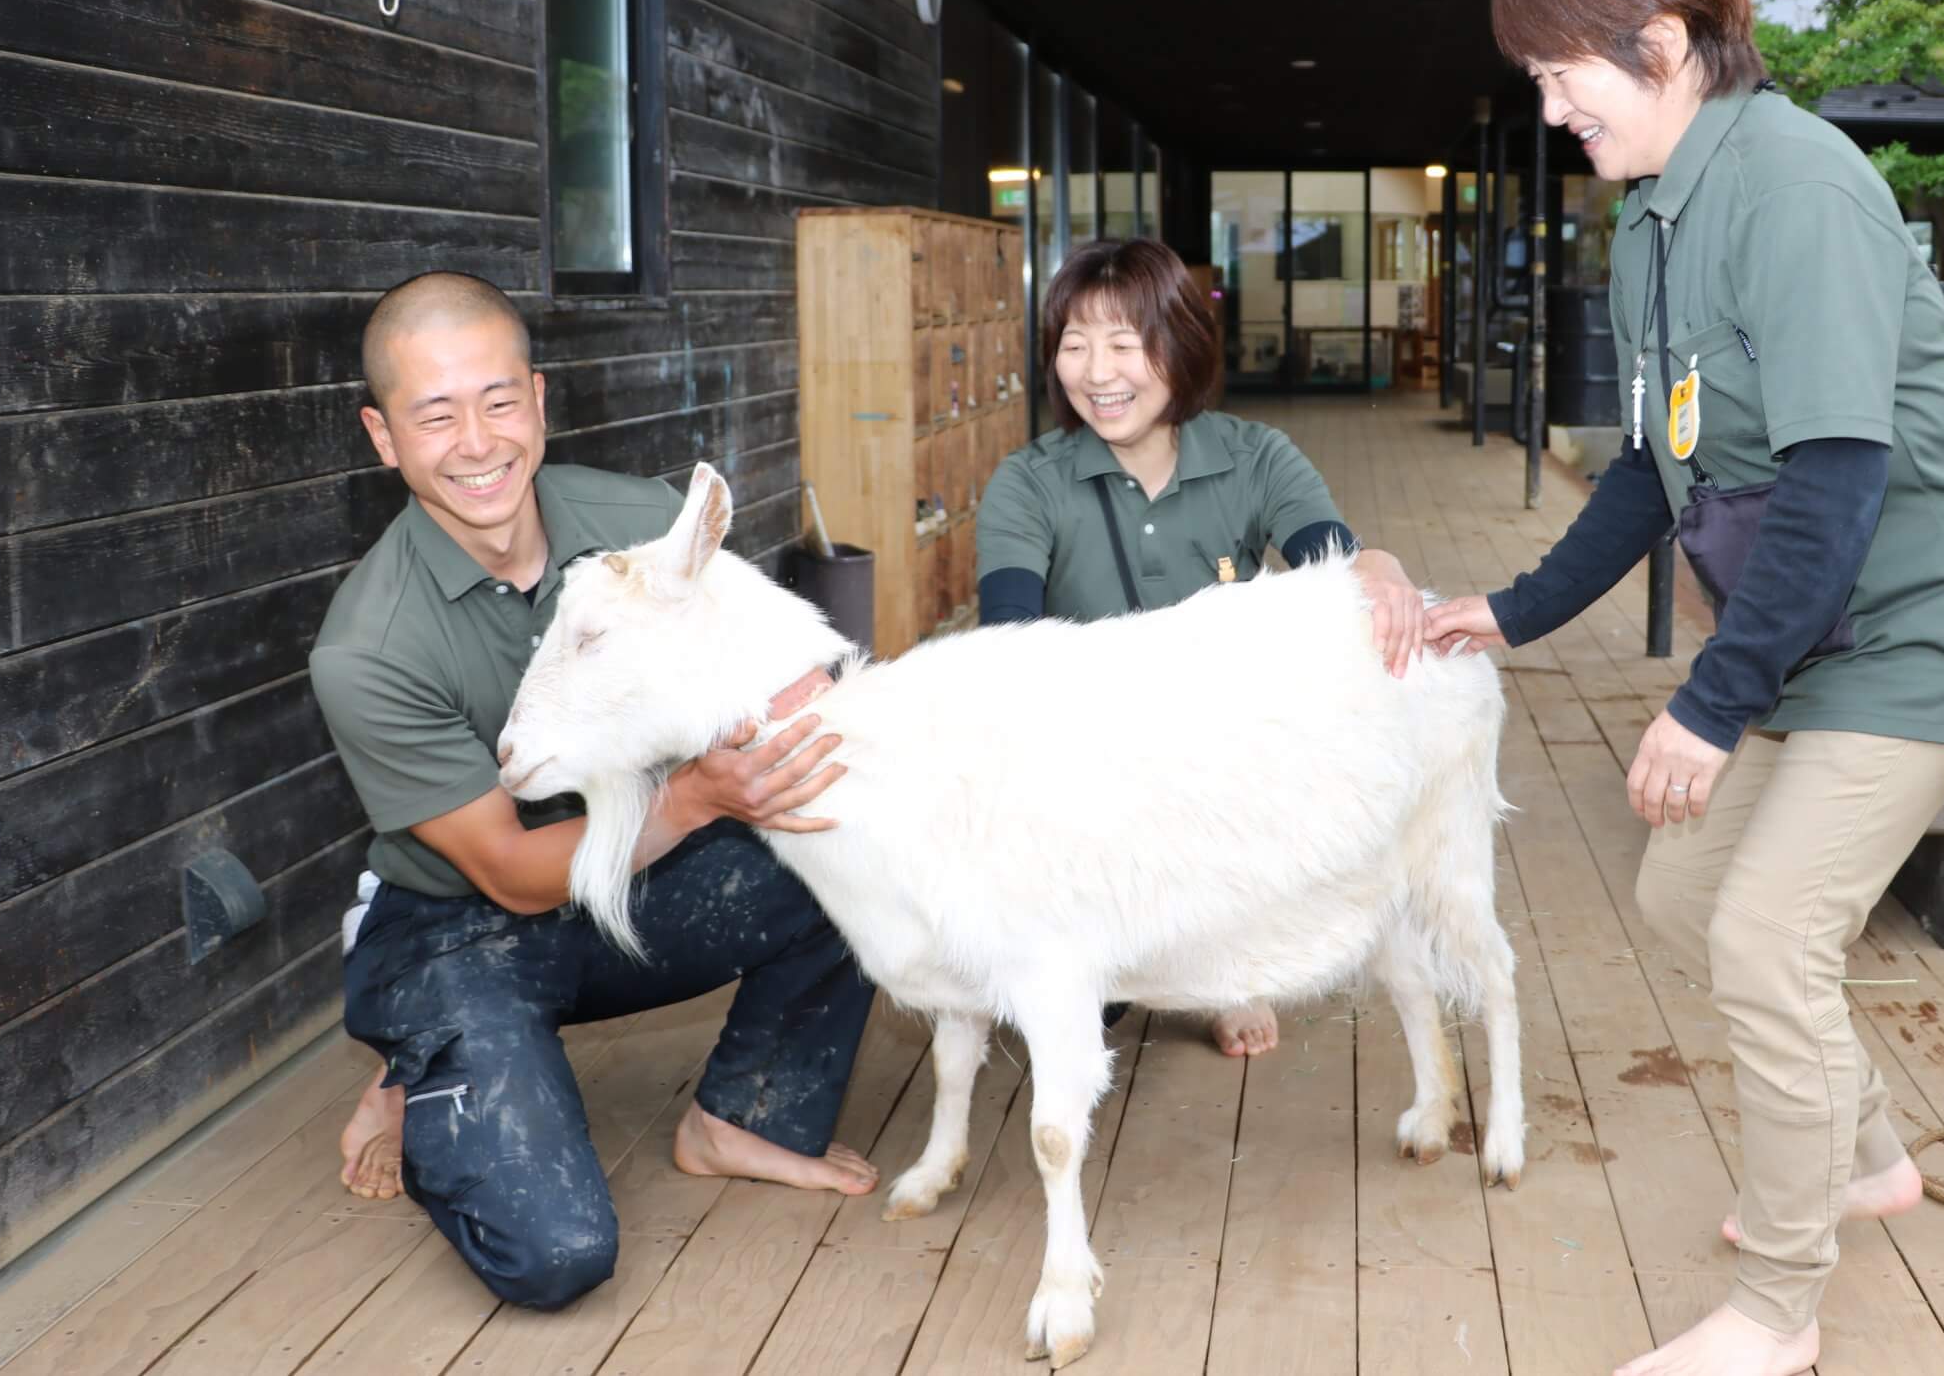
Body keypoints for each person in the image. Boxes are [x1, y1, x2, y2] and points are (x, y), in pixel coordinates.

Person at [1424, 0, 1944, 1376]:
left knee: (1771, 932)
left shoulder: (1796, 185)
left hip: (1926, 613)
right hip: (1821, 618)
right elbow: (1659, 461)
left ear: (1657, 40)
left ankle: (1781, 1307)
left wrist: (1709, 705)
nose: (1548, 105)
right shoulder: (1655, 217)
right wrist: (1505, 613)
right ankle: (1867, 1152)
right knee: (1682, 893)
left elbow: (1842, 477)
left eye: (1557, 71)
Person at [313, 271, 878, 1309]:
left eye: (496, 402)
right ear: (382, 436)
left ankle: (740, 1119)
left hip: (640, 869)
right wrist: (703, 796)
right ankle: (423, 1069)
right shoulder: (366, 647)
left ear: (537, 399)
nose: (476, 442)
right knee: (555, 1256)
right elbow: (516, 877)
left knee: (846, 819)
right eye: (433, 415)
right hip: (458, 925)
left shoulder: (642, 525)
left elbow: (771, 687)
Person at [974, 237, 1428, 1056]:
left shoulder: (1254, 456)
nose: (1097, 371)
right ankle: (1117, 942)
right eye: (1075, 345)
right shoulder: (1028, 480)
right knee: (1061, 1010)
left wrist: (1379, 561)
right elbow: (1007, 639)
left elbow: (1332, 558)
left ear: (1178, 346)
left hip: (1220, 749)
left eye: (1124, 342)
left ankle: (1229, 963)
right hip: (1087, 749)